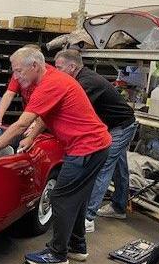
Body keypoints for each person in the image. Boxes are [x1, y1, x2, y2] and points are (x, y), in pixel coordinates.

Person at [0, 47, 111, 264]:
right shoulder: (51, 79)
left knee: (61, 198)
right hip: (94, 146)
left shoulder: (51, 84)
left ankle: (58, 254)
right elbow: (48, 114)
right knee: (77, 199)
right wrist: (33, 137)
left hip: (87, 148)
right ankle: (77, 247)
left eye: (18, 71)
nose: (16, 76)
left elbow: (21, 123)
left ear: (35, 66)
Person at [54, 49, 138, 233]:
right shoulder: (79, 79)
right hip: (115, 125)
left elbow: (71, 110)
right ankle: (119, 207)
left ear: (72, 66)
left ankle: (88, 217)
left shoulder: (86, 83)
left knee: (103, 167)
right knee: (119, 167)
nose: (55, 71)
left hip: (120, 127)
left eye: (59, 67)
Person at [0, 44, 54, 125]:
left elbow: (48, 107)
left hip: (45, 118)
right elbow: (9, 94)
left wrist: (35, 125)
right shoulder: (20, 73)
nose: (16, 75)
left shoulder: (50, 76)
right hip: (30, 113)